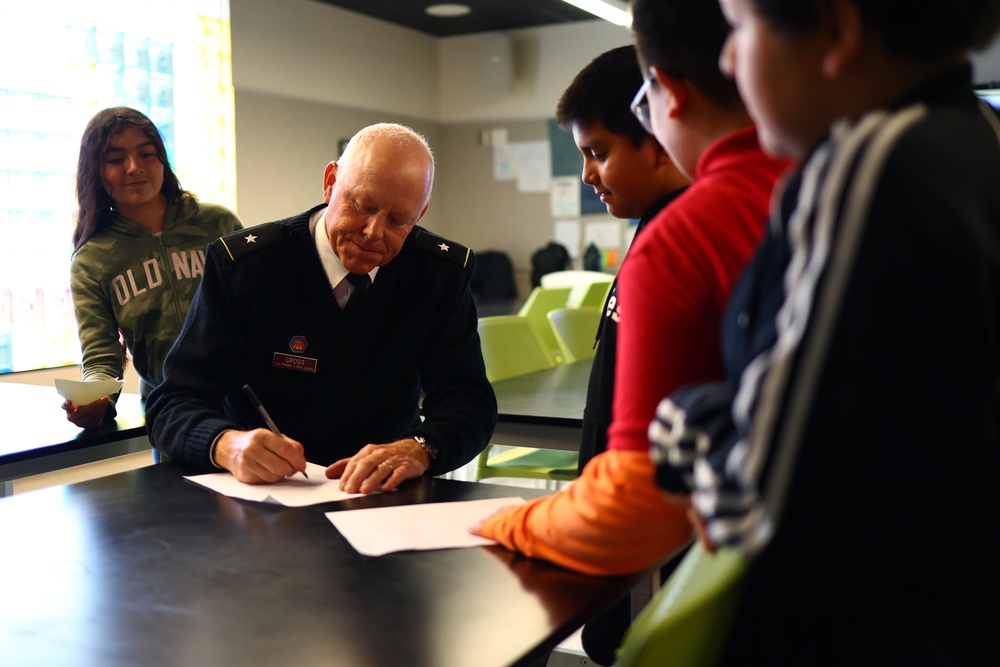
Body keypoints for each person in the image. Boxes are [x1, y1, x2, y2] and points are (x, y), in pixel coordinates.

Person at [649, 0, 1000, 663]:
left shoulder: (865, 163)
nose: (727, 58)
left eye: (741, 28)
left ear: (837, 31)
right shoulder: (982, 137)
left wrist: (681, 424)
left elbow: (757, 506)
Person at [476, 2, 790, 661]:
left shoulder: (682, 236)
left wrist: (503, 519)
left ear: (663, 97)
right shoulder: (812, 186)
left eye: (597, 152)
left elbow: (637, 499)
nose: (589, 175)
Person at [145, 123, 497, 494]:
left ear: (420, 213)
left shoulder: (438, 274)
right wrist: (226, 445)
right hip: (268, 494)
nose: (374, 232)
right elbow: (171, 403)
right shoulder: (246, 267)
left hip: (385, 496)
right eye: (362, 205)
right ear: (331, 182)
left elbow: (469, 400)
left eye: (399, 220)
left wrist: (421, 449)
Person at [66, 107, 242, 429]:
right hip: (174, 413)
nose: (134, 168)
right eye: (116, 159)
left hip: (245, 398)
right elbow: (100, 356)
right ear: (96, 171)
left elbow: (259, 308)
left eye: (146, 154)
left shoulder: (218, 223)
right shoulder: (92, 260)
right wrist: (95, 397)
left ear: (162, 160)